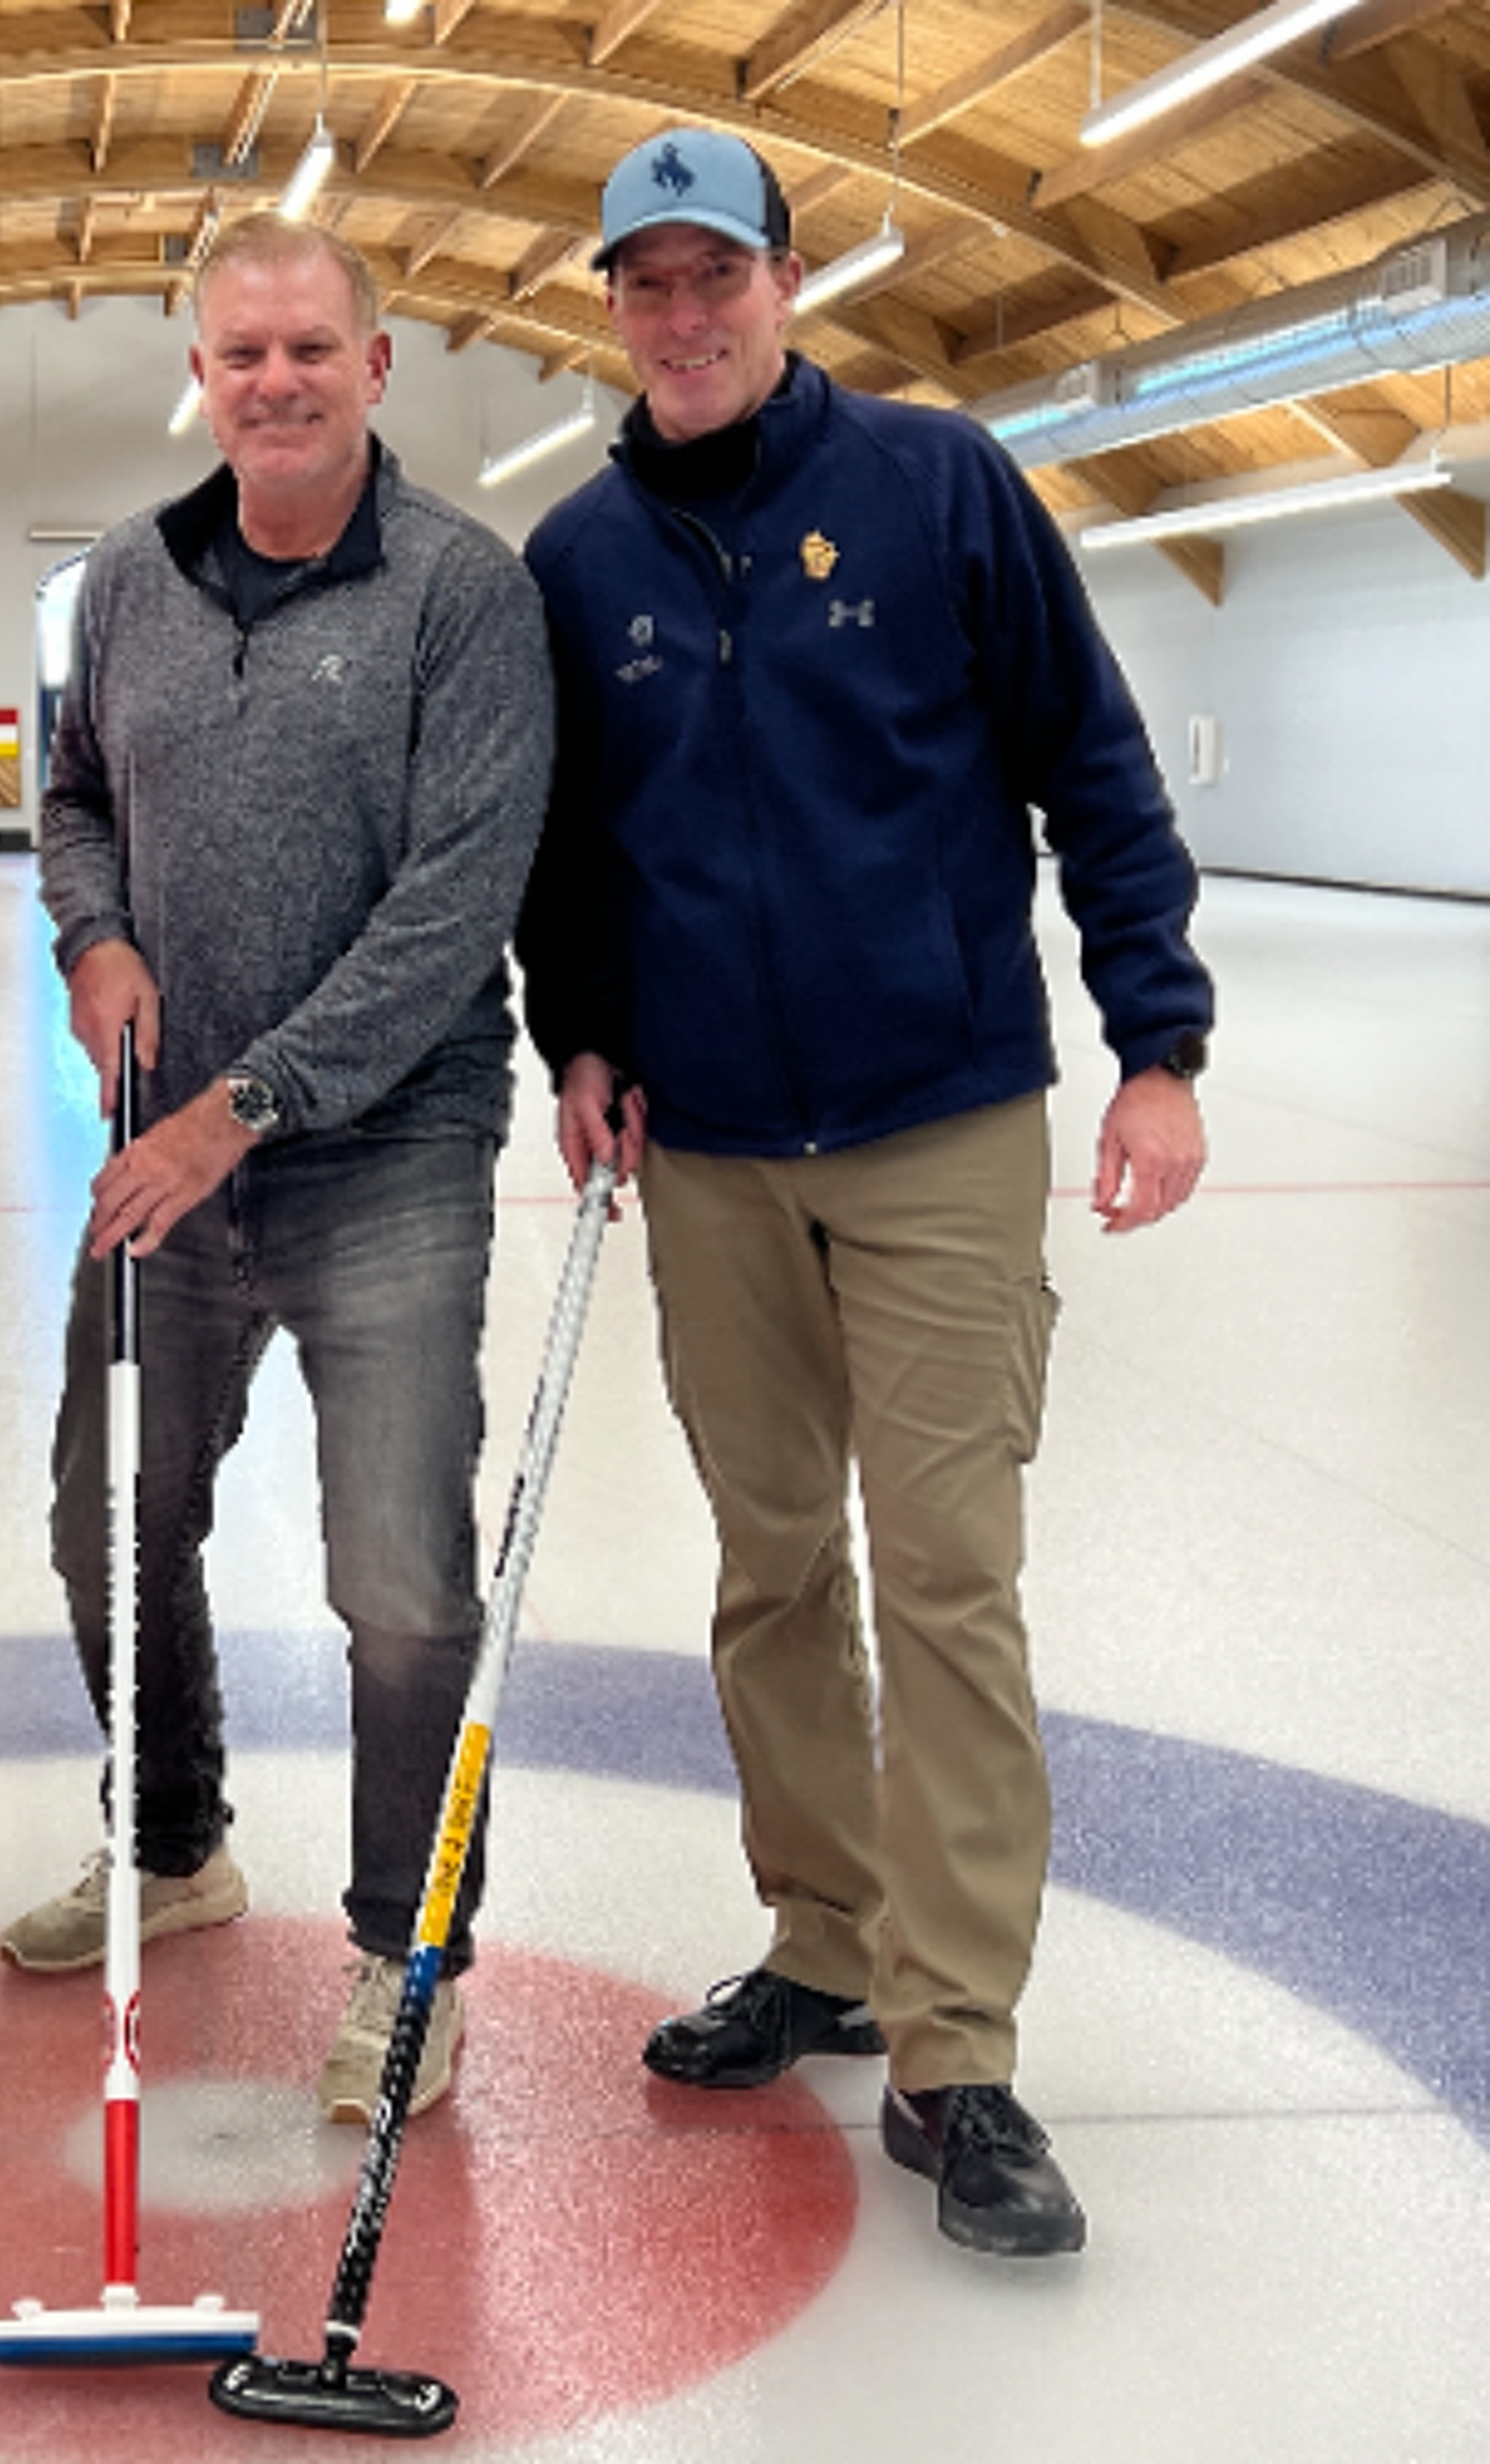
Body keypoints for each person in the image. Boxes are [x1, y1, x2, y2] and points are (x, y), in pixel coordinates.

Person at [517, 130, 1214, 2255]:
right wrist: (585, 1041)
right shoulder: (579, 559)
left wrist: (1158, 1041)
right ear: (614, 314)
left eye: (714, 273)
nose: (683, 315)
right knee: (768, 1567)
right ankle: (822, 1938)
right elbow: (571, 860)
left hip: (937, 1121)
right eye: (643, 285)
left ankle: (960, 2052)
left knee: (945, 1573)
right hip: (713, 1149)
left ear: (788, 281)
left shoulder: (938, 489)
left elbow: (1089, 760)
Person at [6, 211, 554, 2122]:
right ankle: (173, 1844)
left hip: (383, 1149)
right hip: (175, 1160)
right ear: (204, 377)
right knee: (105, 1523)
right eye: (241, 353)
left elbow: (452, 911)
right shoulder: (132, 588)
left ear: (377, 366)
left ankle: (413, 1958)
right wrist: (93, 940)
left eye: (312, 347)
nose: (277, 381)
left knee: (398, 1576)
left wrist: (242, 1105)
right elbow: (66, 798)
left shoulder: (465, 596)